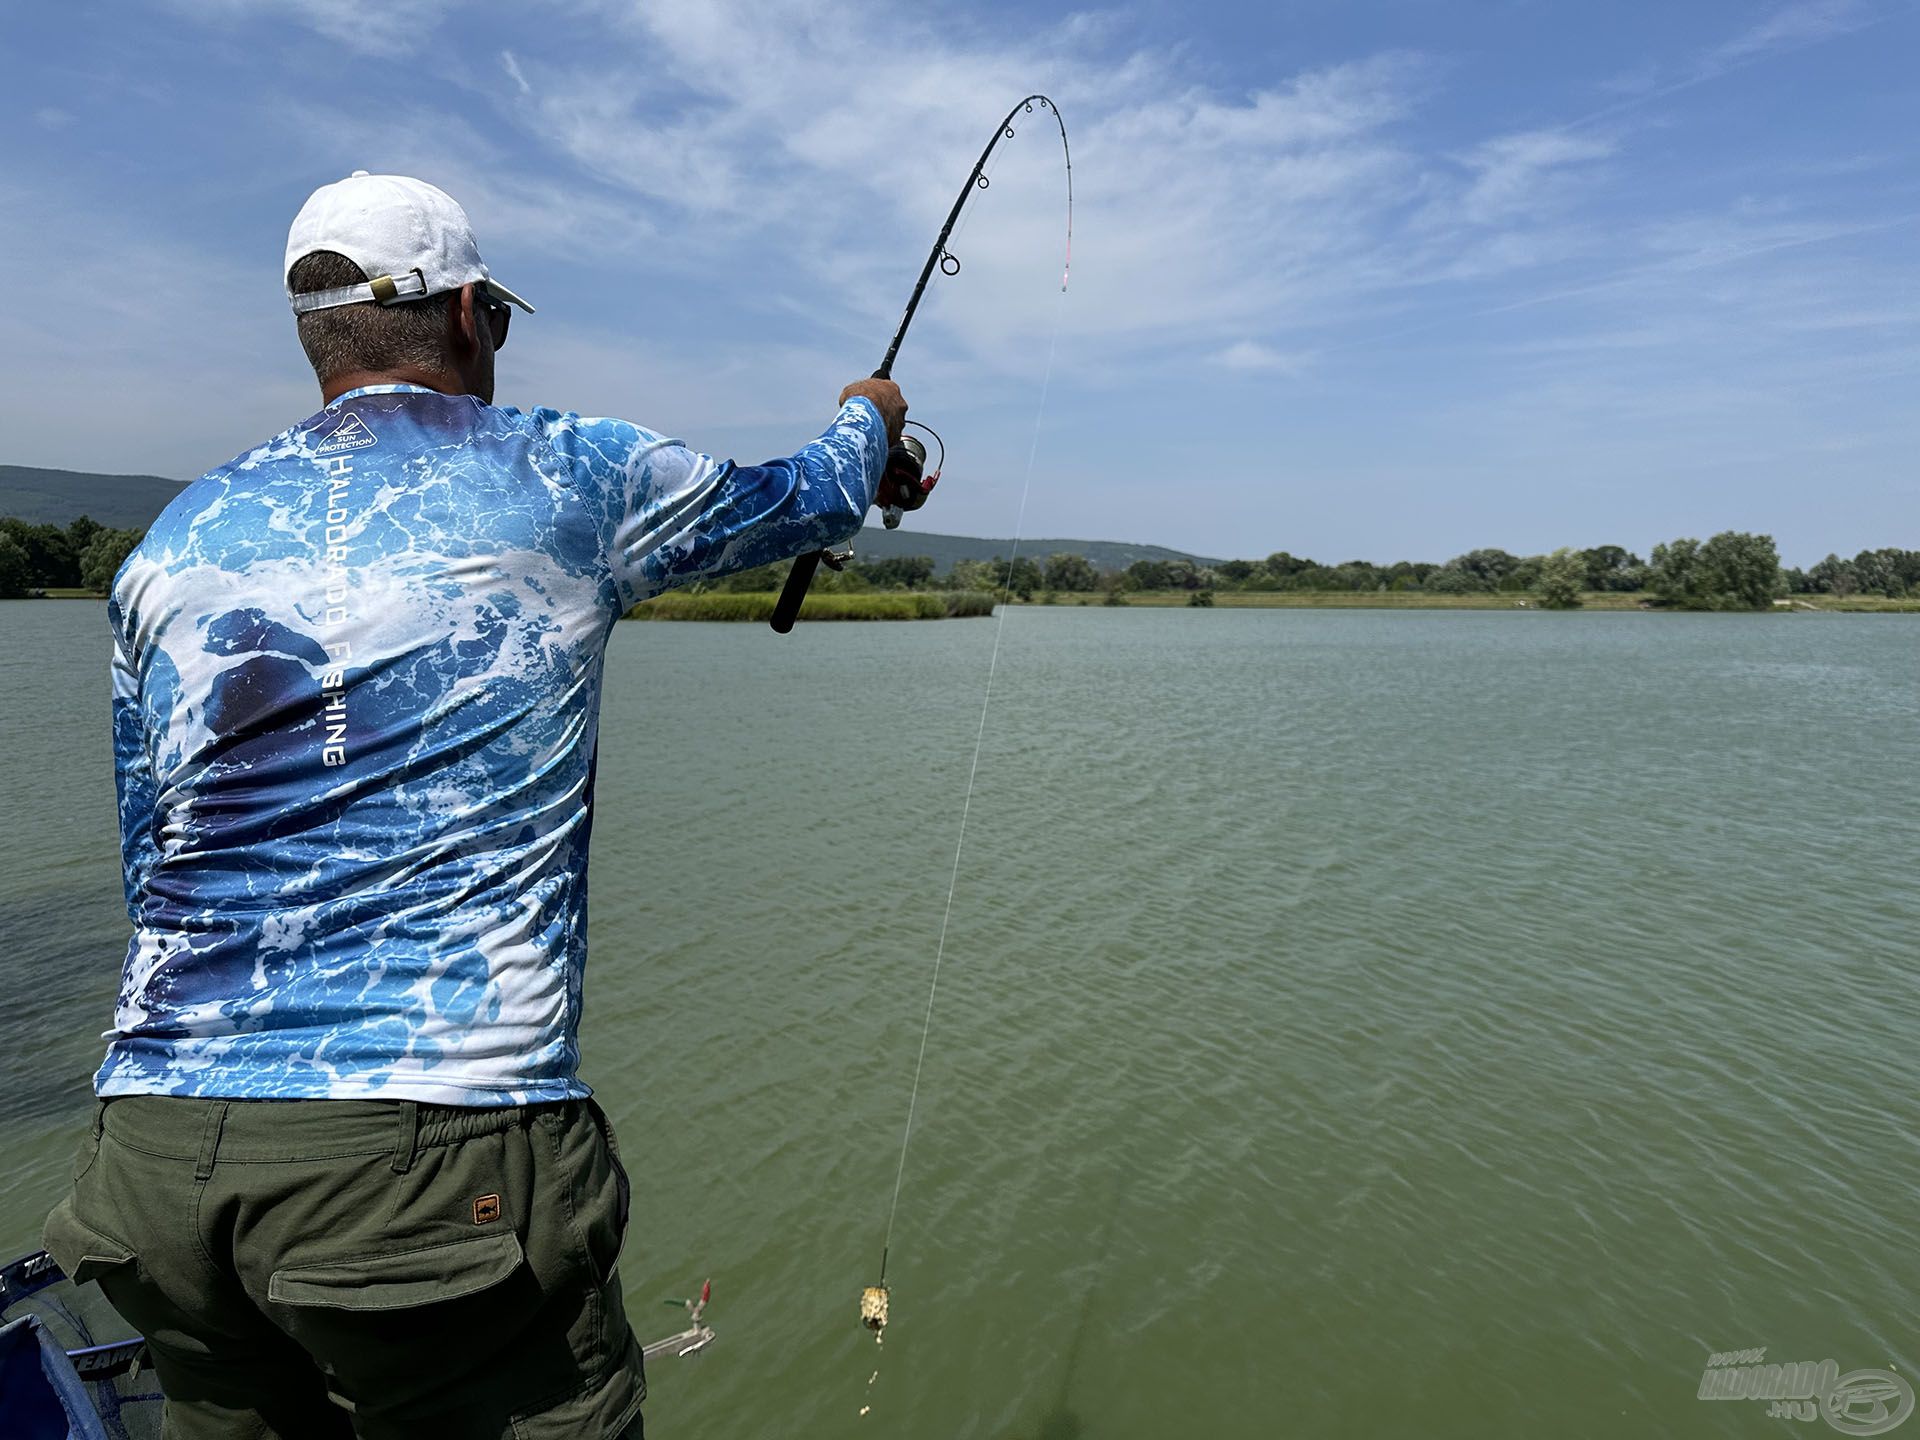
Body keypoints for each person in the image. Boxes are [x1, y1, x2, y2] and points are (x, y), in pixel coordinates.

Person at [42, 170, 910, 1439]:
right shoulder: (564, 474)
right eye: (494, 319)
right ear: (466, 318)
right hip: (429, 1165)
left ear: (316, 332)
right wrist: (871, 415)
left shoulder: (166, 546)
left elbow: (146, 856)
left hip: (153, 1161)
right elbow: (814, 498)